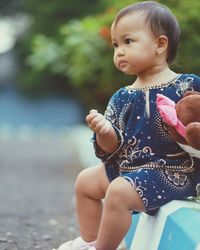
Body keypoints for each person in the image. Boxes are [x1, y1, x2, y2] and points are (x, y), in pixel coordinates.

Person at [53, 1, 200, 250]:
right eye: (115, 45)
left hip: (174, 171)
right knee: (86, 182)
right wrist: (105, 132)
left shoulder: (187, 85)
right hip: (128, 167)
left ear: (160, 44)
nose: (119, 51)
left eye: (128, 41)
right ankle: (90, 240)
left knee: (119, 191)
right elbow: (109, 149)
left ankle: (104, 247)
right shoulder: (122, 97)